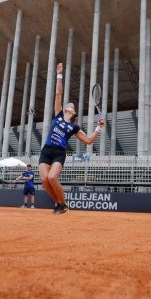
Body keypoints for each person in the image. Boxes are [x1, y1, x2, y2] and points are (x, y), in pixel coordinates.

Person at [39, 63, 105, 214]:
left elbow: (88, 141)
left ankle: (64, 204)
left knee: (52, 177)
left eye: (72, 106)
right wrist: (59, 75)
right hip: (46, 151)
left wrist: (98, 127)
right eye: (68, 105)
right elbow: (58, 94)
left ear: (73, 112)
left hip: (59, 153)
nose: (69, 105)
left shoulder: (74, 127)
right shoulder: (58, 114)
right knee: (44, 180)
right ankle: (58, 204)